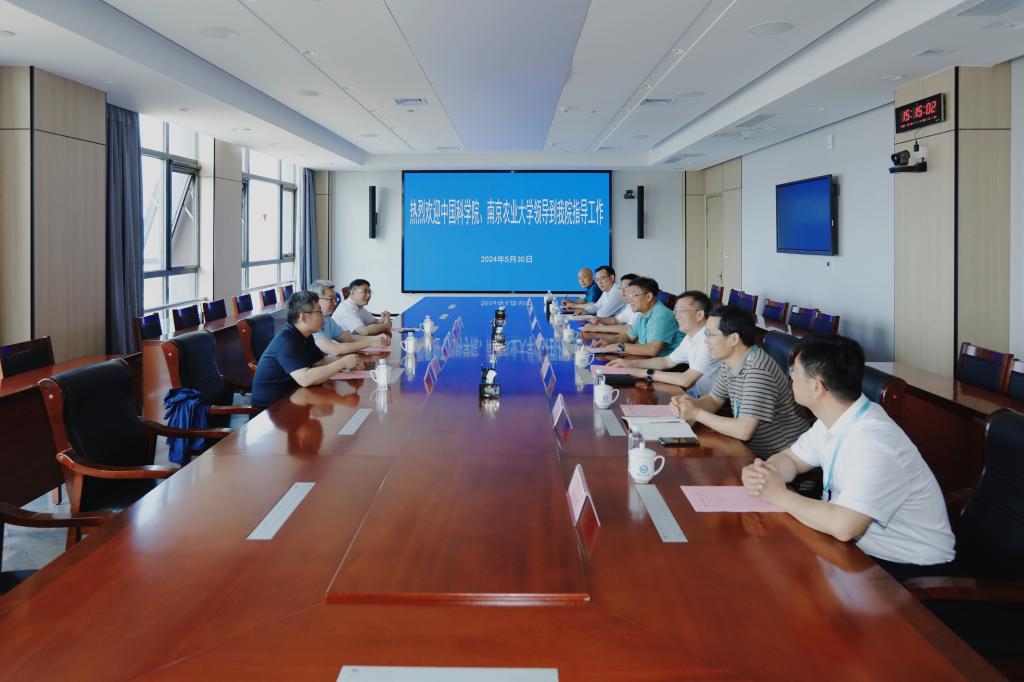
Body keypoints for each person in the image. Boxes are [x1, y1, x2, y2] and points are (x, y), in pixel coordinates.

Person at [741, 335, 955, 581]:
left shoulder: (874, 443)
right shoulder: (836, 418)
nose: (790, 377)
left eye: (794, 371)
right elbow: (792, 459)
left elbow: (844, 526)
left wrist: (779, 495)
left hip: (907, 568)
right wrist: (766, 473)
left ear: (817, 387)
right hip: (854, 550)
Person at [670, 305, 809, 457]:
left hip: (782, 457)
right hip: (752, 451)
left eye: (711, 334)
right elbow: (714, 400)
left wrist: (696, 413)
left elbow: (744, 430)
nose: (706, 341)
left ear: (734, 339)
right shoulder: (730, 361)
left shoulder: (758, 371)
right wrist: (689, 405)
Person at [252, 291, 364, 407]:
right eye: (319, 312)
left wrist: (349, 362)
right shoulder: (287, 341)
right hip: (271, 409)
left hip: (294, 398)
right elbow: (305, 379)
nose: (323, 316)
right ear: (304, 317)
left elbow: (320, 362)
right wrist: (342, 364)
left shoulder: (305, 335)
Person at [608, 291, 721, 397]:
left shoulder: (708, 340)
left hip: (716, 403)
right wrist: (630, 363)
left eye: (681, 311)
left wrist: (645, 373)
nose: (676, 316)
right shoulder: (691, 336)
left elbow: (686, 380)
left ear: (699, 315)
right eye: (676, 311)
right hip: (701, 395)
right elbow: (666, 361)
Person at [590, 276, 683, 358]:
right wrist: (608, 341)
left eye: (633, 295)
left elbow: (652, 350)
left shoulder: (662, 315)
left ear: (649, 296)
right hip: (651, 361)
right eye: (629, 295)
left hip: (674, 367)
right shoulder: (643, 315)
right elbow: (628, 335)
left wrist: (620, 346)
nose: (630, 300)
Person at [309, 279, 389, 356]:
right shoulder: (311, 323)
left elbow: (348, 338)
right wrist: (370, 342)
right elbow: (335, 350)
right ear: (315, 300)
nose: (335, 303)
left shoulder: (327, 319)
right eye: (331, 299)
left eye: (335, 299)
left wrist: (375, 339)